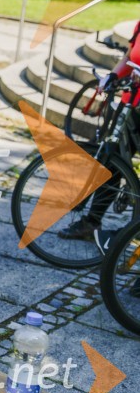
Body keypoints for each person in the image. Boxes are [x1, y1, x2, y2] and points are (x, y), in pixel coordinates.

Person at [62, 20, 140, 243]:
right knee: (111, 162)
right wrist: (113, 76)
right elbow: (129, 56)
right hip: (131, 104)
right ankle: (91, 222)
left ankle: (133, 233)